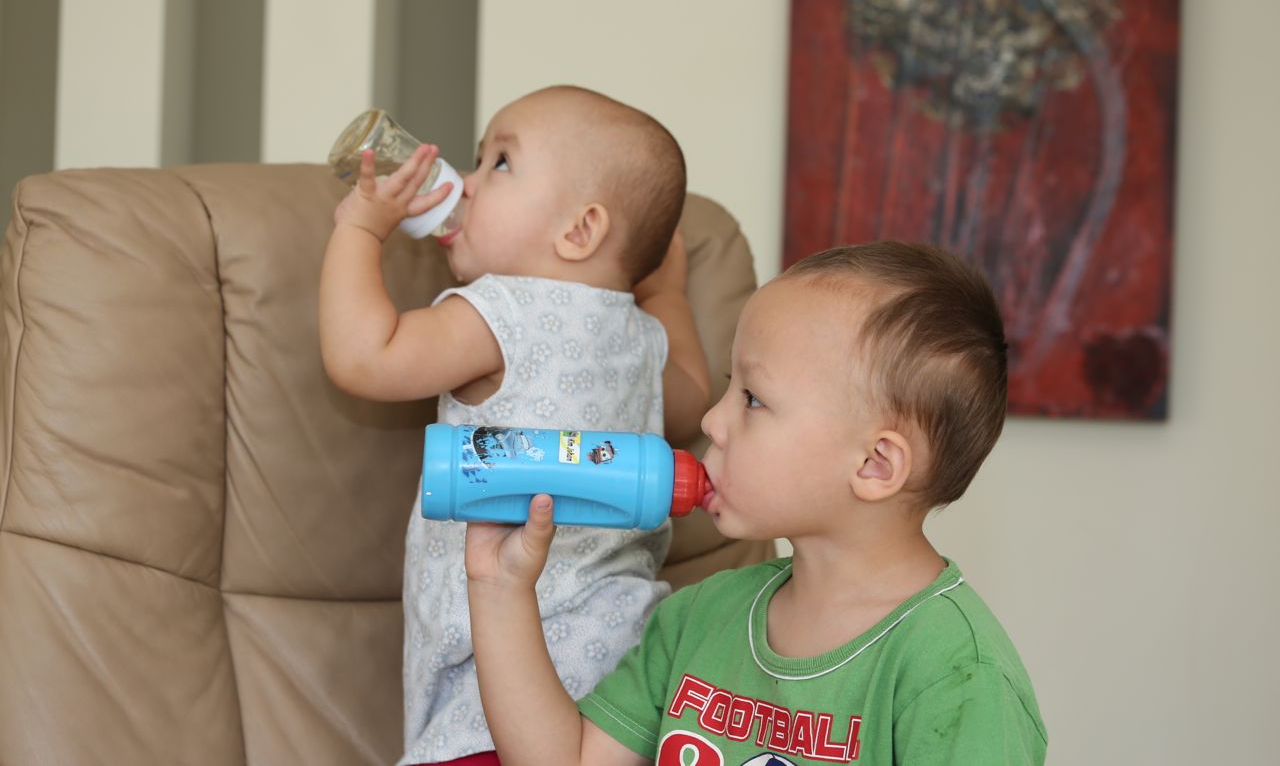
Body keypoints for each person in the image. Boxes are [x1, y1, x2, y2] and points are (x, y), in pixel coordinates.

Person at [464, 242, 1049, 765]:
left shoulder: (957, 674)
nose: (711, 421)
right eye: (728, 387)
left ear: (874, 465)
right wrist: (499, 589)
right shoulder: (700, 617)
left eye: (753, 399)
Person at [318, 85, 711, 766]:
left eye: (498, 163)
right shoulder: (641, 338)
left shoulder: (501, 311)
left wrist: (359, 230)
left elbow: (364, 357)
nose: (465, 184)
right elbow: (694, 399)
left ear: (580, 231)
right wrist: (669, 295)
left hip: (498, 697)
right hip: (621, 684)